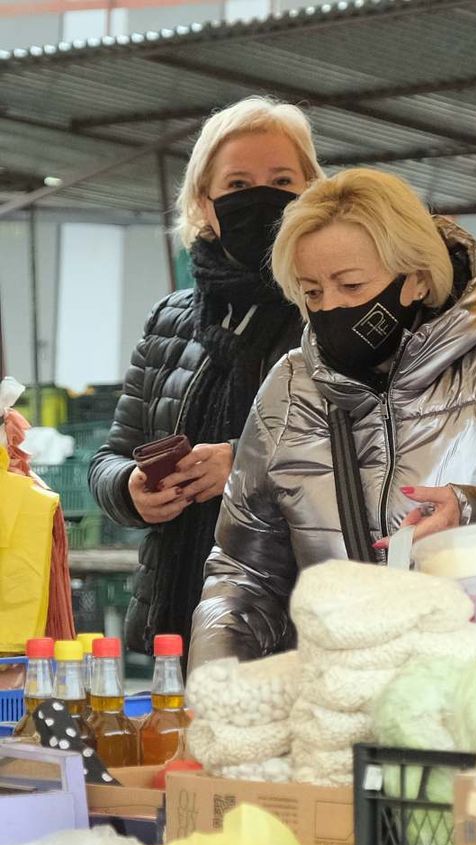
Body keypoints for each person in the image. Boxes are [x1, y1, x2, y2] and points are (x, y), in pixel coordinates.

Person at [187, 168, 476, 669]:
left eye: (350, 285)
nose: (331, 308)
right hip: (350, 699)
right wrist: (214, 677)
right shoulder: (289, 389)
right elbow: (243, 572)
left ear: (414, 278)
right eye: (311, 292)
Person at [90, 97, 321, 655]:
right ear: (204, 202)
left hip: (288, 619)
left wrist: (243, 466)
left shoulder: (329, 308)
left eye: (281, 179)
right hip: (177, 611)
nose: (260, 198)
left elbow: (369, 457)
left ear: (311, 190)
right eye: (237, 184)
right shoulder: (171, 318)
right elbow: (111, 456)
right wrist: (130, 488)